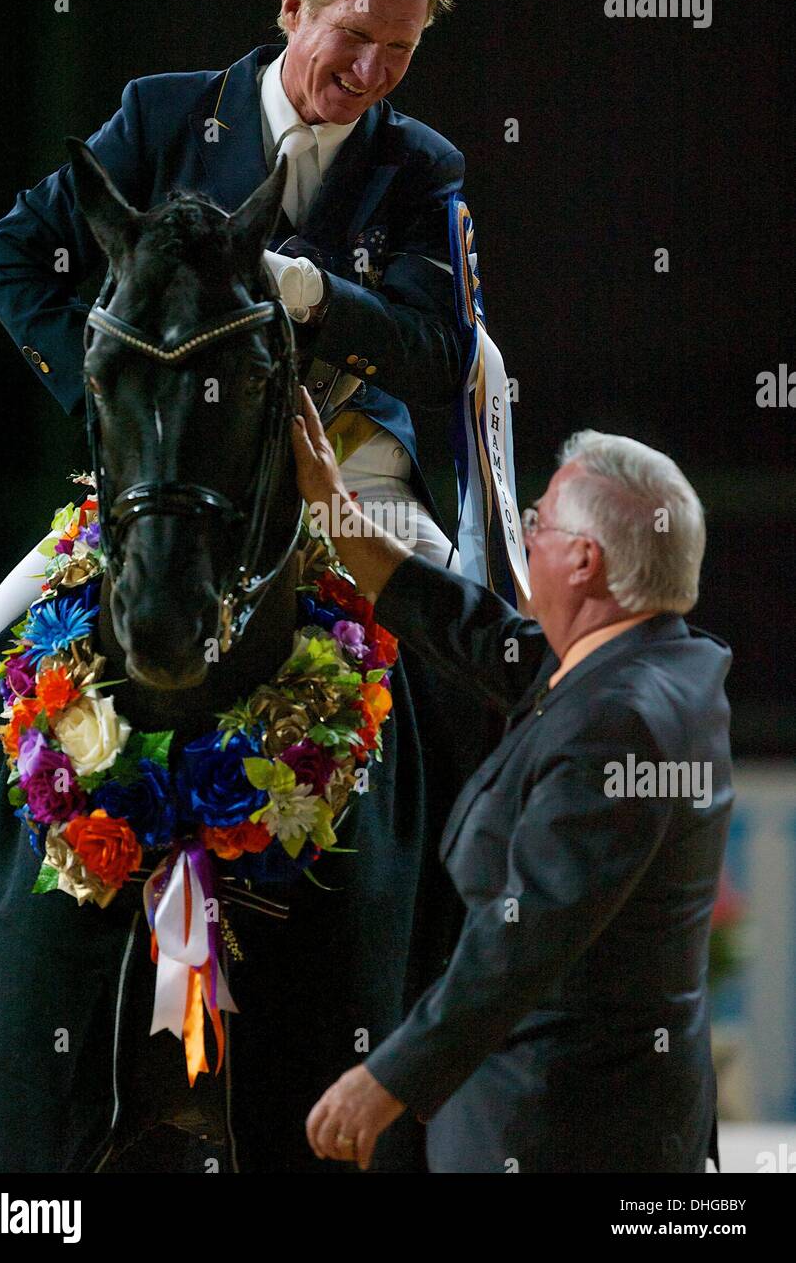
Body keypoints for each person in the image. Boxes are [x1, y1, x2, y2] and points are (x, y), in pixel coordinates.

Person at [0, 0, 501, 739]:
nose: (373, 69)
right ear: (292, 7)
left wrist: (311, 296)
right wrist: (108, 399)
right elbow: (10, 257)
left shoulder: (421, 166)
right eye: (353, 33)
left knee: (484, 699)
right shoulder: (163, 117)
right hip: (173, 478)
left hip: (352, 485)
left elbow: (442, 355)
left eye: (401, 47)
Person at [291, 386, 735, 1174]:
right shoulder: (666, 665)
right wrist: (334, 513)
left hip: (558, 1135)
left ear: (585, 560)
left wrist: (385, 1079)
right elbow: (471, 628)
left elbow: (520, 940)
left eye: (538, 525)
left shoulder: (618, 721)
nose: (525, 541)